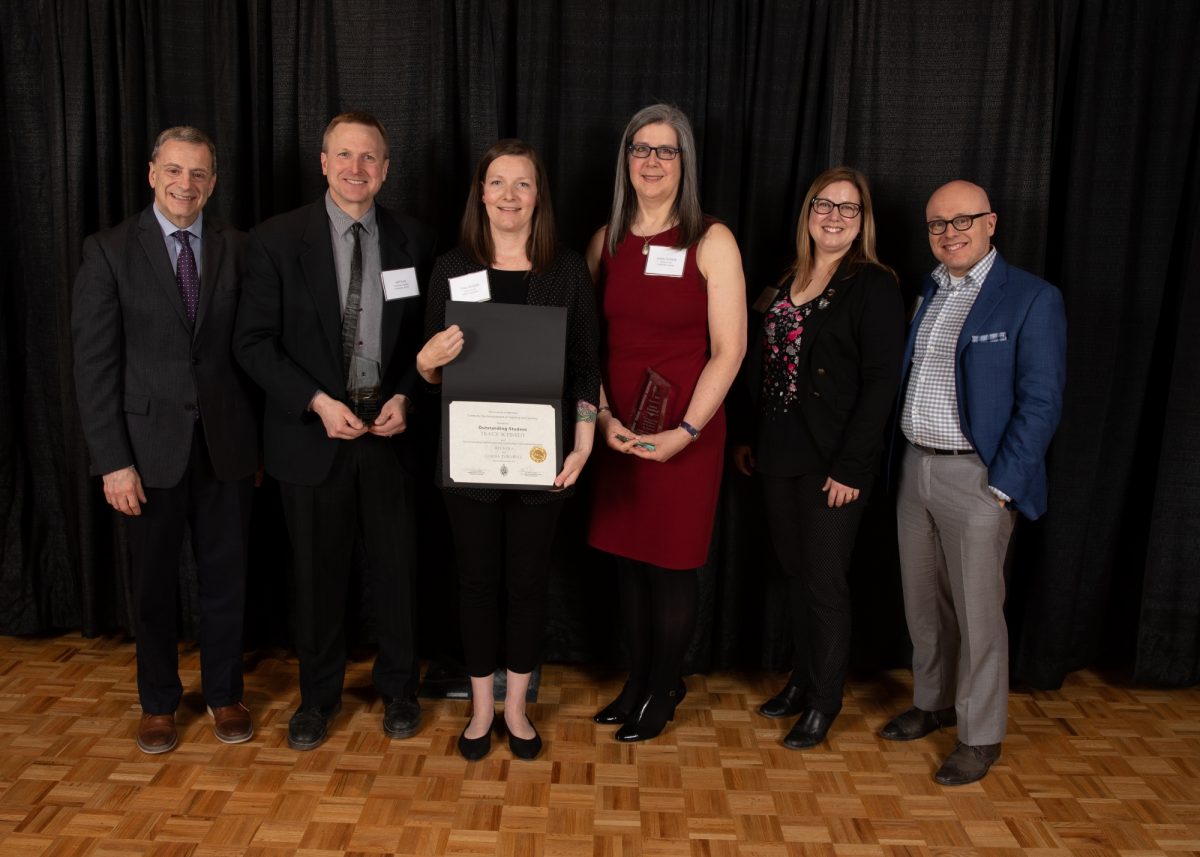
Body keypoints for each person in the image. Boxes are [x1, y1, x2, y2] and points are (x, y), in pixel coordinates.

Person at [234, 111, 436, 751]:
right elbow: (253, 343)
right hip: (312, 437)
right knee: (317, 580)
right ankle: (317, 699)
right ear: (323, 163)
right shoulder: (275, 239)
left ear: (386, 168)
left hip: (390, 437)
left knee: (398, 573)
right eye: (344, 155)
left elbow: (432, 338)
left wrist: (408, 396)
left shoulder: (415, 240)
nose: (356, 168)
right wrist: (317, 402)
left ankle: (400, 690)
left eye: (369, 157)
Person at [72, 126, 258, 754]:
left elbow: (250, 352)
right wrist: (113, 462)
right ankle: (157, 702)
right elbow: (94, 367)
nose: (186, 184)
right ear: (152, 173)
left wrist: (254, 447)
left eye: (199, 173)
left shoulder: (238, 247)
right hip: (145, 454)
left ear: (214, 181)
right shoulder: (108, 251)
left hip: (227, 449)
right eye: (174, 170)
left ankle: (225, 694)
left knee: (226, 581)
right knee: (152, 587)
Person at [417, 139, 600, 762]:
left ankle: (516, 709)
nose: (509, 196)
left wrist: (583, 443)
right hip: (469, 459)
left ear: (538, 195)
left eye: (523, 183)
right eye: (497, 182)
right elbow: (431, 374)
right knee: (475, 584)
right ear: (481, 193)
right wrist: (425, 362)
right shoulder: (450, 268)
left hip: (541, 460)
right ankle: (480, 711)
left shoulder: (565, 270)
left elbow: (586, 366)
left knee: (526, 586)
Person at [880, 180, 1066, 785]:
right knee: (923, 603)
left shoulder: (1031, 298)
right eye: (937, 223)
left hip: (980, 477)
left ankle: (980, 735)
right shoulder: (928, 290)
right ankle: (932, 702)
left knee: (980, 614)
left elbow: (1041, 402)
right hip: (915, 466)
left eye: (962, 220)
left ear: (991, 223)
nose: (949, 232)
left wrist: (1003, 485)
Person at [586, 104, 747, 742]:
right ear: (626, 160)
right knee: (629, 562)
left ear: (685, 162)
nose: (652, 161)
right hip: (619, 431)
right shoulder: (606, 240)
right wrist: (602, 417)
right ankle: (637, 679)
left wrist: (686, 432)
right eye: (641, 149)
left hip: (686, 434)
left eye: (666, 150)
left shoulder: (712, 239)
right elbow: (587, 346)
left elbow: (729, 350)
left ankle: (664, 686)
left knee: (671, 564)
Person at [732, 167, 904, 749]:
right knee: (794, 576)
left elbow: (881, 383)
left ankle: (825, 701)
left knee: (825, 583)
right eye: (824, 205)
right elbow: (762, 368)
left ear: (862, 222)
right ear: (807, 214)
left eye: (848, 208)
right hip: (777, 452)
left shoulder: (873, 284)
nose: (834, 216)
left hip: (834, 461)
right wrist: (747, 437)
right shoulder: (785, 281)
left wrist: (853, 467)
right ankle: (802, 681)